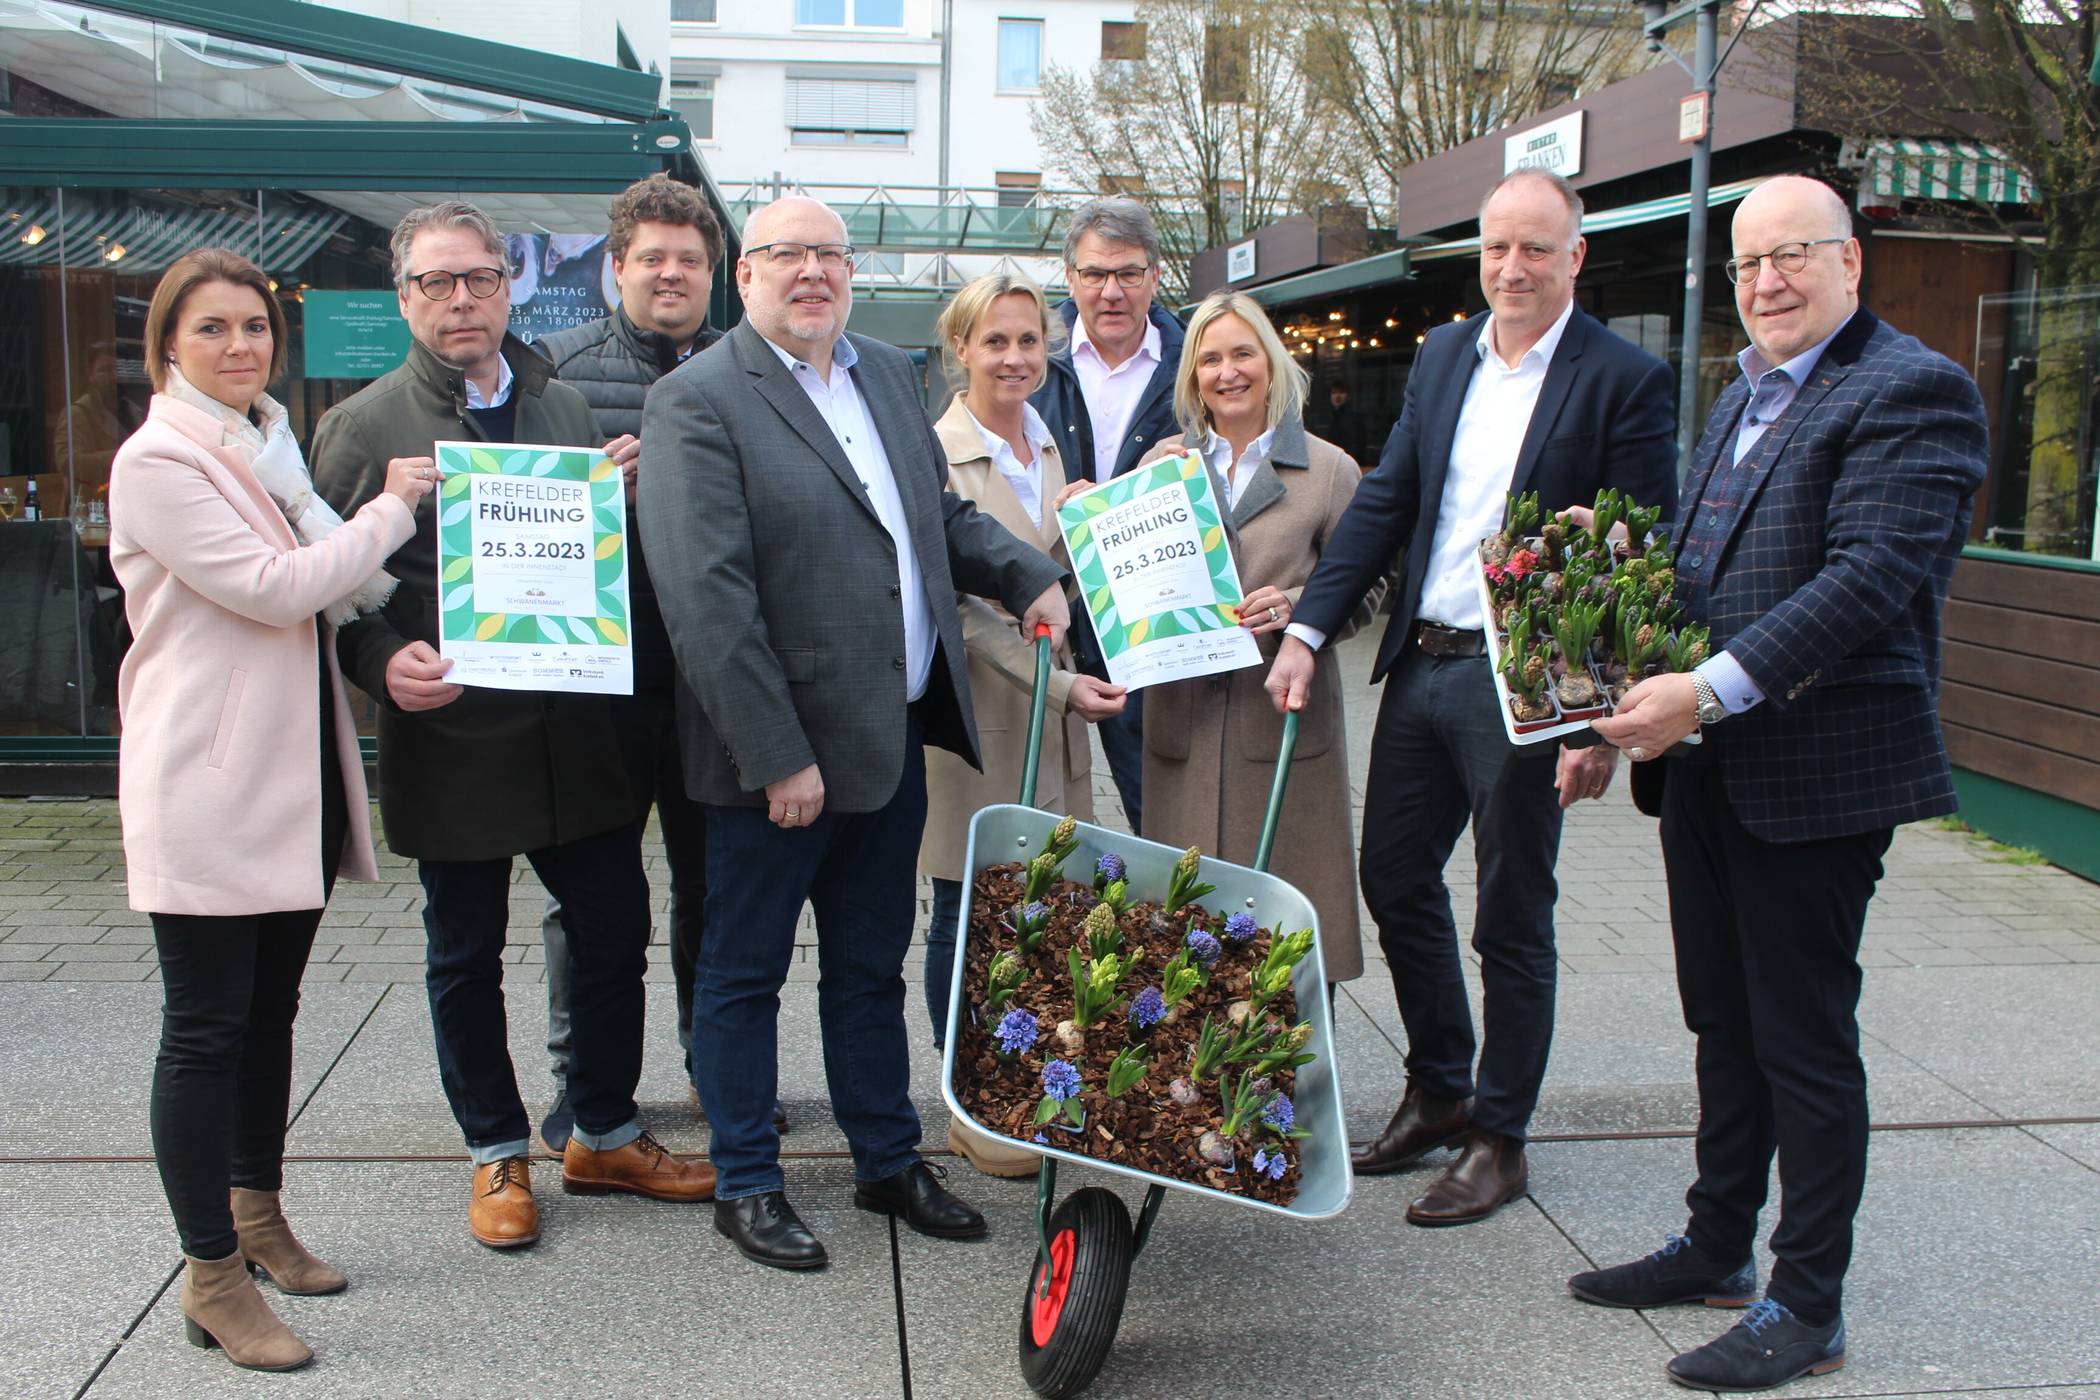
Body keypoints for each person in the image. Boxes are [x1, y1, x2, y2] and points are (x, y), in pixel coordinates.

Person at [1576, 175, 1989, 1393]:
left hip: (1815, 777)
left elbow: (1866, 580)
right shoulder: (1741, 393)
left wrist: (1702, 692)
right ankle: (1716, 1243)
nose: (1767, 280)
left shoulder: (1912, 389)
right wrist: (1612, 645)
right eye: (1749, 262)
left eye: (1793, 253)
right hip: (1706, 771)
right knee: (1722, 1020)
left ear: (1851, 261)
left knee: (1803, 1042)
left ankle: (1808, 1300)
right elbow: (1699, 576)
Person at [638, 196, 1070, 1271]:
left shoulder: (882, 371)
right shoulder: (697, 398)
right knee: (743, 975)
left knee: (870, 967)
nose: (812, 272)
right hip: (776, 767)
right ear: (745, 275)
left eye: (830, 254)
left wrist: (1027, 573)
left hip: (890, 738)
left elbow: (936, 518)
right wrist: (776, 754)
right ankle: (748, 1179)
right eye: (786, 253)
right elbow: (707, 600)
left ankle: (885, 1157)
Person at [1266, 167, 1677, 1226]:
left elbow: (1642, 555)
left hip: (1528, 687)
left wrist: (1596, 722)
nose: (1513, 267)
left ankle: (1501, 1136)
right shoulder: (1445, 353)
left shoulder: (1624, 378)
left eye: (1536, 247)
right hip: (1425, 661)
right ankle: (1441, 1086)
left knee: (1512, 911)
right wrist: (1308, 629)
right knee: (1395, 874)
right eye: (1498, 247)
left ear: (1575, 256)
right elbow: (1388, 501)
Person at [313, 201, 715, 1253]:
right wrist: (378, 660)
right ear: (404, 297)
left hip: (576, 729)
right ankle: (496, 1147)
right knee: (465, 949)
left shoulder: (562, 406)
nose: (462, 299)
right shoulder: (364, 427)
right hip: (454, 734)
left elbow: (591, 570)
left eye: (481, 279)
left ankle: (604, 1130)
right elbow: (328, 587)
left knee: (615, 929)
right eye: (438, 282)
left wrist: (612, 502)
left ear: (509, 287)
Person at [111, 247, 433, 1370]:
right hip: (207, 784)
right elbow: (275, 586)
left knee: (269, 1016)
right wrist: (390, 509)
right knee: (206, 1030)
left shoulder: (269, 448)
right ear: (167, 346)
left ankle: (256, 1216)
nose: (239, 345)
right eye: (211, 329)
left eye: (254, 326)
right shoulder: (159, 459)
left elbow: (323, 586)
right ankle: (210, 1275)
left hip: (289, 775)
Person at [531, 174, 791, 1147]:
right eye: (652, 257)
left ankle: (713, 1066)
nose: (671, 273)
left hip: (711, 681)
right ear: (617, 268)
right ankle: (585, 1081)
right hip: (596, 682)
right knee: (590, 899)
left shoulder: (750, 371)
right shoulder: (555, 375)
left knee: (713, 886)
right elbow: (514, 520)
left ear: (715, 272)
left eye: (689, 258)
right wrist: (590, 493)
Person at [917, 273, 1126, 1178]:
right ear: (959, 348)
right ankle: (969, 1100)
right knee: (965, 907)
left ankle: (1027, 1074)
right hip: (981, 713)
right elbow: (958, 607)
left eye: (1029, 341)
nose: (1014, 358)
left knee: (1042, 908)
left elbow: (1056, 579)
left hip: (1052, 711)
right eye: (995, 340)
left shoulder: (1048, 445)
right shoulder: (935, 451)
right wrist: (1057, 685)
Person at [1138, 292, 1382, 981]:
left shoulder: (1329, 470)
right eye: (1210, 359)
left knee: (1283, 938)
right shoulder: (1163, 465)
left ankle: (1293, 1053)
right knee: (1183, 937)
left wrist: (1300, 608)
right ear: (1193, 376)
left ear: (1271, 363)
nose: (1228, 372)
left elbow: (1369, 587)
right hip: (1184, 725)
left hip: (1279, 722)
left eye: (1243, 353)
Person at [1032, 197, 1185, 834]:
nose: (1111, 291)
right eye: (1095, 273)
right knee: (1038, 816)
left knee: (1166, 820)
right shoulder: (1032, 356)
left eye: (1128, 273)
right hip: (1047, 615)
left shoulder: (1196, 363)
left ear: (1155, 275)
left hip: (1153, 621)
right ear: (1070, 277)